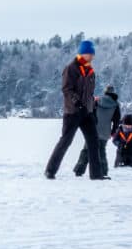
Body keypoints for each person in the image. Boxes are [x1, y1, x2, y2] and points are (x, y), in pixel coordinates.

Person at [44, 40, 107, 180]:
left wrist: (92, 108)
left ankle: (97, 175)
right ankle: (50, 170)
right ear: (82, 53)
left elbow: (90, 93)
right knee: (65, 141)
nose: (91, 56)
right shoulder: (71, 68)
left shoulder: (91, 71)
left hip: (87, 113)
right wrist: (76, 102)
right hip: (72, 112)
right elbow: (66, 89)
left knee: (94, 141)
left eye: (92, 54)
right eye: (89, 53)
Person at [75, 85, 120, 178]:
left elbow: (90, 113)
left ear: (105, 92)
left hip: (93, 129)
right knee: (101, 151)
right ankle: (103, 170)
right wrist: (113, 131)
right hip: (105, 131)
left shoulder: (97, 101)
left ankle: (79, 170)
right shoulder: (116, 105)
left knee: (87, 150)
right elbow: (116, 120)